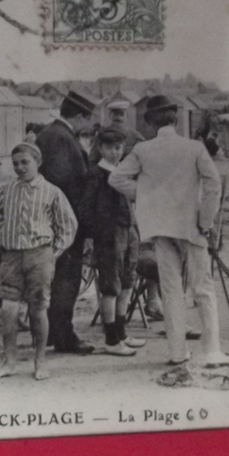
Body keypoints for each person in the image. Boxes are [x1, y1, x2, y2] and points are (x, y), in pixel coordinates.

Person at [109, 94, 229, 368]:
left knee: (170, 290)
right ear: (176, 119)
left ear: (149, 122)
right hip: (191, 225)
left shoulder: (143, 151)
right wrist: (206, 220)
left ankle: (178, 353)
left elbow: (116, 177)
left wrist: (144, 197)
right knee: (203, 288)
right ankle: (212, 352)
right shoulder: (194, 147)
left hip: (160, 225)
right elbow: (213, 183)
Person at [0, 142, 78, 381]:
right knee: (8, 309)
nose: (20, 168)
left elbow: (68, 226)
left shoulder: (52, 192)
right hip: (12, 256)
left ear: (38, 162)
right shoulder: (7, 190)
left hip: (40, 256)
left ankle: (40, 363)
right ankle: (9, 362)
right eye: (15, 164)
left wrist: (52, 252)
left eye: (25, 162)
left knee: (38, 309)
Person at [36, 90, 96, 354]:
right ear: (81, 116)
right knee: (66, 280)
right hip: (64, 223)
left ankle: (50, 333)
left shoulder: (49, 134)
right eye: (88, 119)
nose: (89, 125)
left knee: (53, 278)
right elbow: (64, 184)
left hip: (48, 220)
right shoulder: (62, 138)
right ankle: (64, 337)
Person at [78, 128, 146, 354]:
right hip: (108, 236)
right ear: (100, 149)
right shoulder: (95, 174)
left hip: (129, 231)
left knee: (127, 282)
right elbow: (86, 207)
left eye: (118, 148)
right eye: (109, 148)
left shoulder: (123, 172)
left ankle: (121, 332)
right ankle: (110, 339)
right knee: (111, 285)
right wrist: (89, 235)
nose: (114, 152)